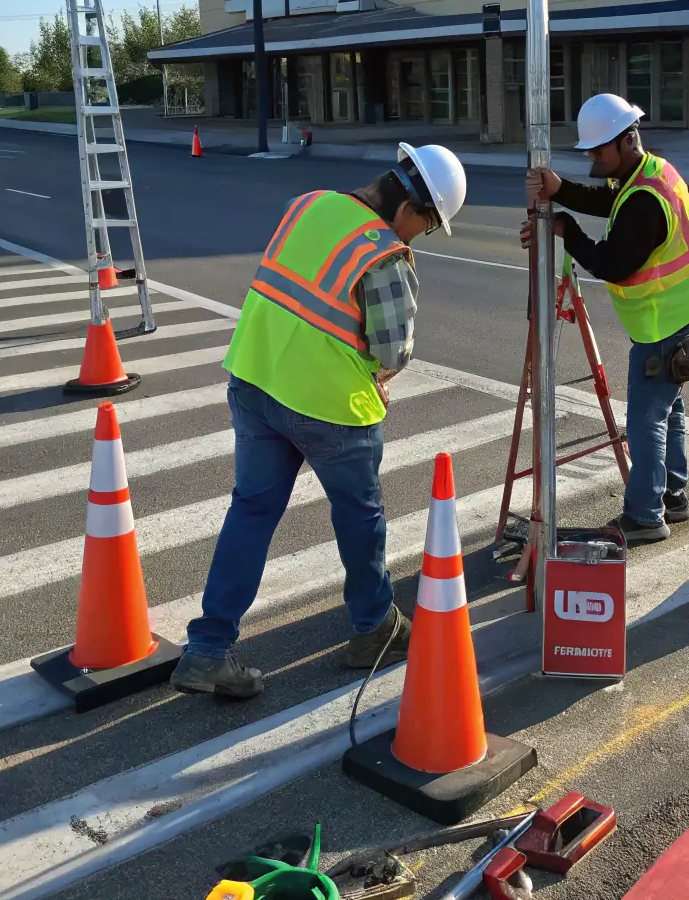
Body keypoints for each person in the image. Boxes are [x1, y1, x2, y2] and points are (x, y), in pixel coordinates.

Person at [170, 142, 467, 699]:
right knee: (359, 516)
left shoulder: (309, 204)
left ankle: (208, 648)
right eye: (424, 226)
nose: (415, 237)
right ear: (409, 210)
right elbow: (393, 351)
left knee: (252, 511)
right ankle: (373, 627)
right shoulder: (383, 254)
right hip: (329, 406)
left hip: (255, 379)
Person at [521, 93, 689, 544]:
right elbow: (609, 201)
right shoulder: (647, 174)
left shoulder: (645, 201)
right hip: (678, 311)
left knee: (647, 416)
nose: (591, 156)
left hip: (662, 320)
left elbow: (613, 264)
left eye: (596, 149)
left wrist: (568, 231)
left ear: (625, 141)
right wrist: (561, 190)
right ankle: (673, 495)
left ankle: (647, 515)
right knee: (669, 407)